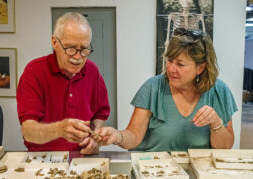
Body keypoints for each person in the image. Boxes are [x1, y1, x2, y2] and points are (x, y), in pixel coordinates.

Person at [97, 28, 237, 151]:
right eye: (169, 60)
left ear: (200, 67)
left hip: (196, 175)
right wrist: (118, 136)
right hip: (153, 170)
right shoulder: (152, 87)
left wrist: (216, 123)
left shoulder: (219, 90)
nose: (171, 69)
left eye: (180, 64)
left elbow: (225, 147)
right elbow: (134, 136)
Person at [17, 12, 110, 154]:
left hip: (82, 156)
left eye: (84, 49)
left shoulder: (92, 71)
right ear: (54, 42)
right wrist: (59, 129)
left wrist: (94, 138)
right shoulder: (34, 72)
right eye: (70, 48)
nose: (78, 57)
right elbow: (28, 131)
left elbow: (100, 114)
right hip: (42, 158)